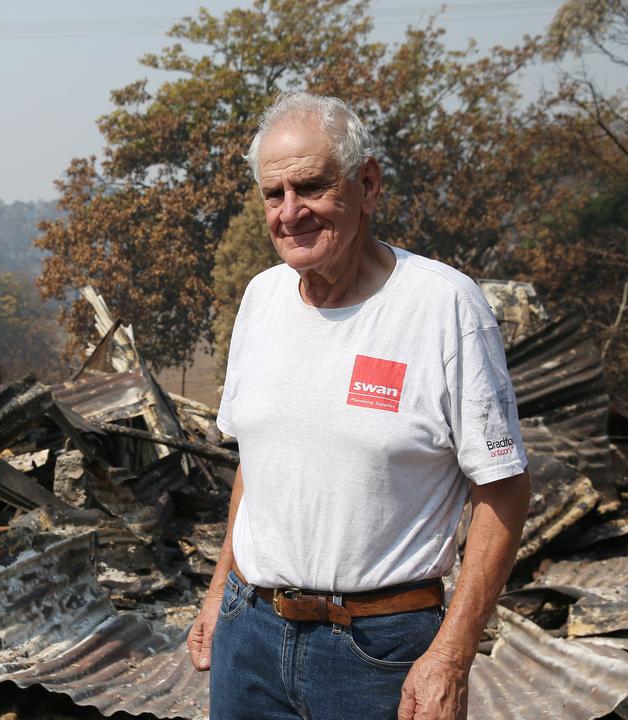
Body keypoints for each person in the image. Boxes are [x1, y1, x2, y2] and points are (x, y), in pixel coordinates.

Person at [187, 92, 531, 720]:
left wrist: (451, 654)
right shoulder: (261, 301)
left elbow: (504, 492)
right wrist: (217, 595)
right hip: (250, 638)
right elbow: (258, 468)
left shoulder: (443, 308)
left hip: (380, 651)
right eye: (273, 194)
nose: (290, 213)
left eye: (312, 187)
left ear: (367, 184)